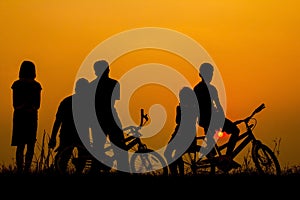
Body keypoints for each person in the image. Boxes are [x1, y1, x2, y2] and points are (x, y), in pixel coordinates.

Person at [193, 62, 240, 164]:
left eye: (211, 73)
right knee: (235, 130)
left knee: (211, 143)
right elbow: (218, 106)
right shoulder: (207, 89)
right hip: (210, 119)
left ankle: (214, 156)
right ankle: (228, 157)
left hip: (204, 120)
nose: (210, 76)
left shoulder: (198, 88)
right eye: (209, 73)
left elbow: (216, 106)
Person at [89, 60, 129, 173]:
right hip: (111, 117)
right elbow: (114, 102)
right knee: (119, 145)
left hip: (97, 118)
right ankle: (123, 170)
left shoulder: (91, 85)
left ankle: (95, 170)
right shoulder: (114, 84)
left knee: (98, 147)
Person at [48, 78, 91, 174]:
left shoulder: (66, 101)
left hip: (67, 133)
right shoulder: (88, 103)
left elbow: (57, 121)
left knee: (67, 156)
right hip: (78, 134)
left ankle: (63, 170)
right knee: (79, 156)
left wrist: (53, 137)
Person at [11, 60, 42, 173]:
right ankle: (26, 168)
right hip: (31, 117)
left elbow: (15, 105)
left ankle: (20, 169)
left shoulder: (17, 84)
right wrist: (30, 107)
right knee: (30, 144)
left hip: (20, 116)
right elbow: (37, 105)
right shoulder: (36, 85)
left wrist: (23, 106)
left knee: (20, 145)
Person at [164, 87, 199, 176]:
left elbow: (178, 121)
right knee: (173, 154)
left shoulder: (183, 108)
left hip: (183, 135)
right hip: (184, 134)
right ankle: (177, 173)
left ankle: (177, 173)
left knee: (170, 153)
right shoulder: (194, 108)